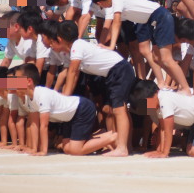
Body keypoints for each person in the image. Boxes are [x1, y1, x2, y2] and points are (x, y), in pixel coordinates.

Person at [87, 0, 191, 95]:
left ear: (100, 2)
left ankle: (185, 88)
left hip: (160, 16)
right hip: (150, 20)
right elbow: (110, 26)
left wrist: (111, 46)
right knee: (154, 57)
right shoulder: (114, 2)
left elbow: (116, 23)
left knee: (166, 58)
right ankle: (162, 83)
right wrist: (103, 45)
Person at [53, 20, 134, 157]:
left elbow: (73, 72)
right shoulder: (77, 46)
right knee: (116, 109)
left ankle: (122, 148)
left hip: (119, 70)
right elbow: (74, 74)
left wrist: (65, 97)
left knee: (119, 109)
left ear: (59, 38)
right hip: (115, 72)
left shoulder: (77, 46)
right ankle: (123, 145)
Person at [16, 63, 117, 156]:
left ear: (29, 81)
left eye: (16, 79)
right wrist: (34, 149)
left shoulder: (42, 95)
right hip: (69, 118)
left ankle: (112, 137)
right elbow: (34, 124)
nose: (12, 83)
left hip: (81, 108)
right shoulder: (30, 98)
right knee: (66, 148)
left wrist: (43, 151)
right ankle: (102, 135)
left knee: (75, 151)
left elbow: (44, 126)